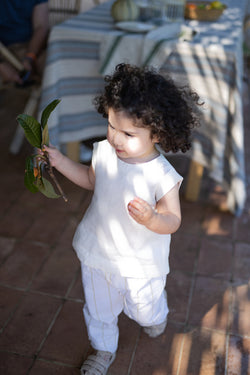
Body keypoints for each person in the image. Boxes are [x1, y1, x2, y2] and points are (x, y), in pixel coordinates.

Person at [41, 63, 202, 375]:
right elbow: (91, 181)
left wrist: (154, 218)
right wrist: (60, 161)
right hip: (99, 250)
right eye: (112, 126)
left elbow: (173, 220)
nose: (116, 138)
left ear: (157, 133)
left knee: (143, 310)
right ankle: (103, 349)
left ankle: (155, 316)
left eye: (128, 133)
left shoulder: (162, 175)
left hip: (140, 260)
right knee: (99, 308)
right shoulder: (103, 152)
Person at [0, 0, 49, 85]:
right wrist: (1, 65)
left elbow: (41, 27)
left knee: (52, 69)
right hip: (4, 50)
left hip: (31, 46)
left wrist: (29, 57)